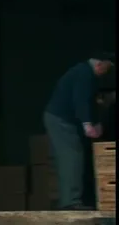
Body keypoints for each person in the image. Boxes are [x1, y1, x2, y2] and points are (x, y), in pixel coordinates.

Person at [43, 53, 114, 209]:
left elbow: (89, 102)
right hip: (60, 119)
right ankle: (70, 202)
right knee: (71, 157)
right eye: (107, 68)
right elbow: (80, 100)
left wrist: (96, 123)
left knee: (72, 157)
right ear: (99, 65)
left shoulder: (87, 74)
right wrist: (87, 124)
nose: (106, 72)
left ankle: (70, 200)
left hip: (63, 119)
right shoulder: (84, 74)